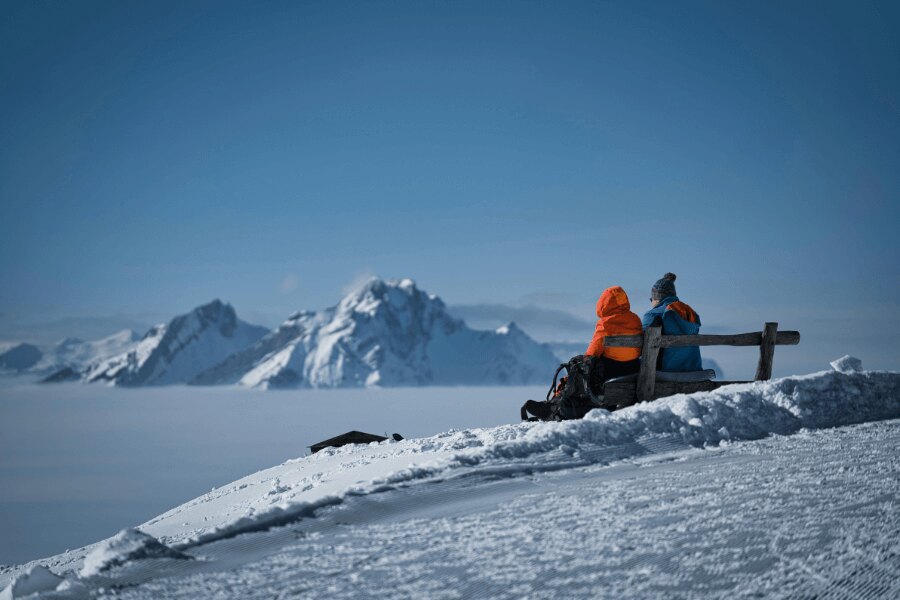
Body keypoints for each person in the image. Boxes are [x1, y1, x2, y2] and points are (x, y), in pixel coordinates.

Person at [641, 273, 702, 372]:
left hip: (666, 371)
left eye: (651, 299)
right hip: (694, 370)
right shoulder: (689, 312)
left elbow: (640, 343)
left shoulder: (653, 314)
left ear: (657, 298)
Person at [585, 285, 643, 381]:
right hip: (634, 369)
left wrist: (585, 360)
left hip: (610, 372)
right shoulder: (635, 319)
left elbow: (594, 351)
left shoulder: (605, 323)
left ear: (603, 303)